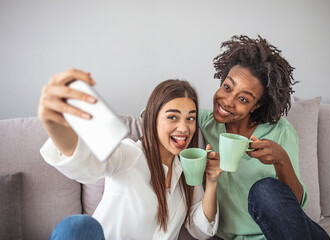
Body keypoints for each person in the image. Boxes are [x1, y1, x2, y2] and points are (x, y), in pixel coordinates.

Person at [38, 69, 222, 239]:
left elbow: (200, 229)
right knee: (77, 227)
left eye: (190, 118)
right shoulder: (130, 154)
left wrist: (212, 181)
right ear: (152, 119)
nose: (184, 128)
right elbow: (87, 165)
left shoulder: (187, 169)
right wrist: (55, 123)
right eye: (172, 117)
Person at [198, 35, 330, 240]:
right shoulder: (206, 123)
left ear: (257, 105)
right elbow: (158, 112)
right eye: (227, 87)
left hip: (287, 234)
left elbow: (293, 207)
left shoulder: (279, 132)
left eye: (243, 99)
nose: (227, 101)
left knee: (264, 190)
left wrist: (281, 160)